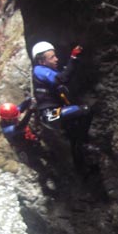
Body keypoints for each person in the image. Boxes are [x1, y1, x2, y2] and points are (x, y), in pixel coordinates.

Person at [31, 41, 97, 171]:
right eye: (52, 57)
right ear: (41, 61)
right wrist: (73, 58)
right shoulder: (39, 70)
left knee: (74, 134)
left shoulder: (47, 71)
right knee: (85, 110)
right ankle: (84, 146)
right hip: (49, 114)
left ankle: (82, 164)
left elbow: (62, 78)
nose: (56, 59)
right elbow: (62, 79)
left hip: (54, 112)